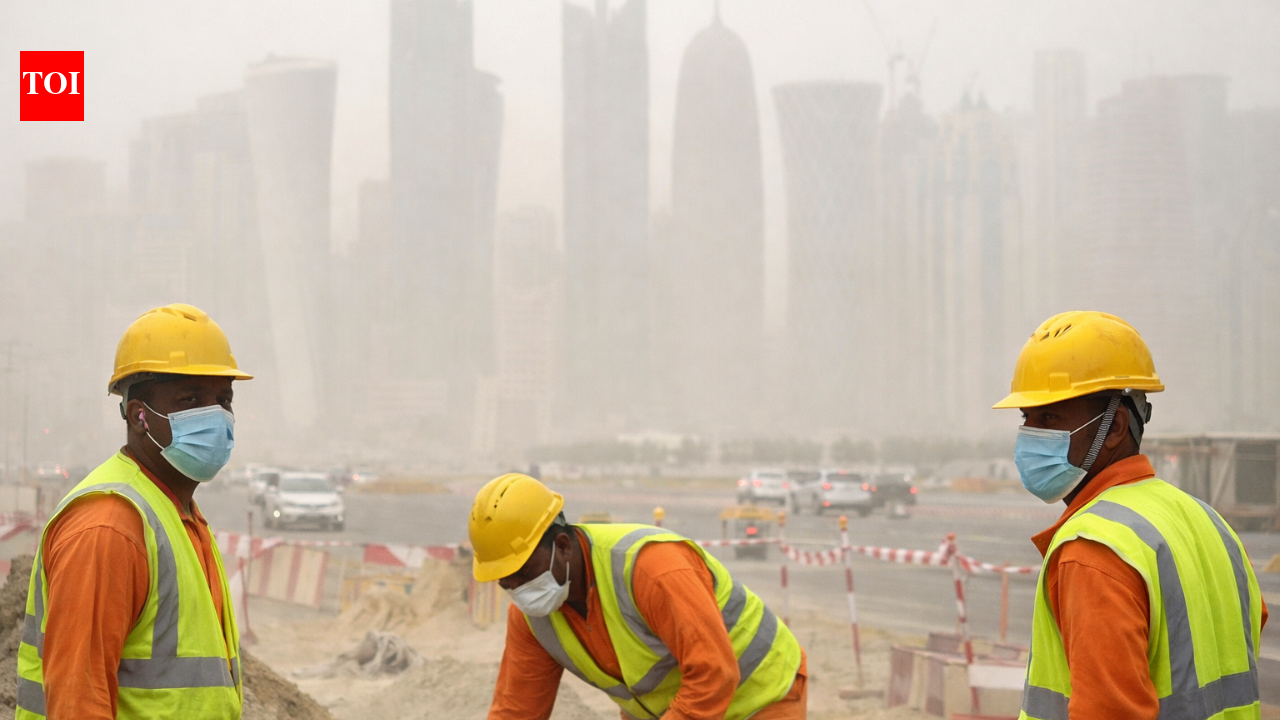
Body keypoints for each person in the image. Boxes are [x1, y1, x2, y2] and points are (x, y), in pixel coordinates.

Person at [994, 311, 1265, 719]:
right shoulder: (1208, 520)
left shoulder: (1094, 550)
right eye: (1027, 419)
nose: (1030, 435)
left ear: (1116, 426)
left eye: (1049, 417)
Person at [16, 304, 252, 720]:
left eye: (223, 399)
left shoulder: (178, 514)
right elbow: (77, 701)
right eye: (190, 399)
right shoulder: (110, 525)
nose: (215, 415)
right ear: (140, 414)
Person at [471, 474, 806, 720]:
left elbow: (713, 674)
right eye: (505, 581)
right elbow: (516, 711)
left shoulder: (650, 569)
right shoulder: (533, 619)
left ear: (562, 546)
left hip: (761, 697)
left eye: (525, 573)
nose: (517, 588)